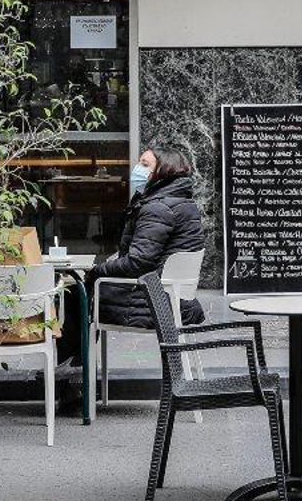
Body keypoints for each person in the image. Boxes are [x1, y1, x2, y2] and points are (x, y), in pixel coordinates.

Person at [55, 147, 205, 365]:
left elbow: (138, 261)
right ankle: (75, 371)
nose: (137, 169)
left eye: (145, 165)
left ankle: (72, 375)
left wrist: (96, 271)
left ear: (163, 171)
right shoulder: (182, 202)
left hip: (150, 301)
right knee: (82, 292)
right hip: (174, 296)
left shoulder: (158, 207)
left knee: (76, 292)